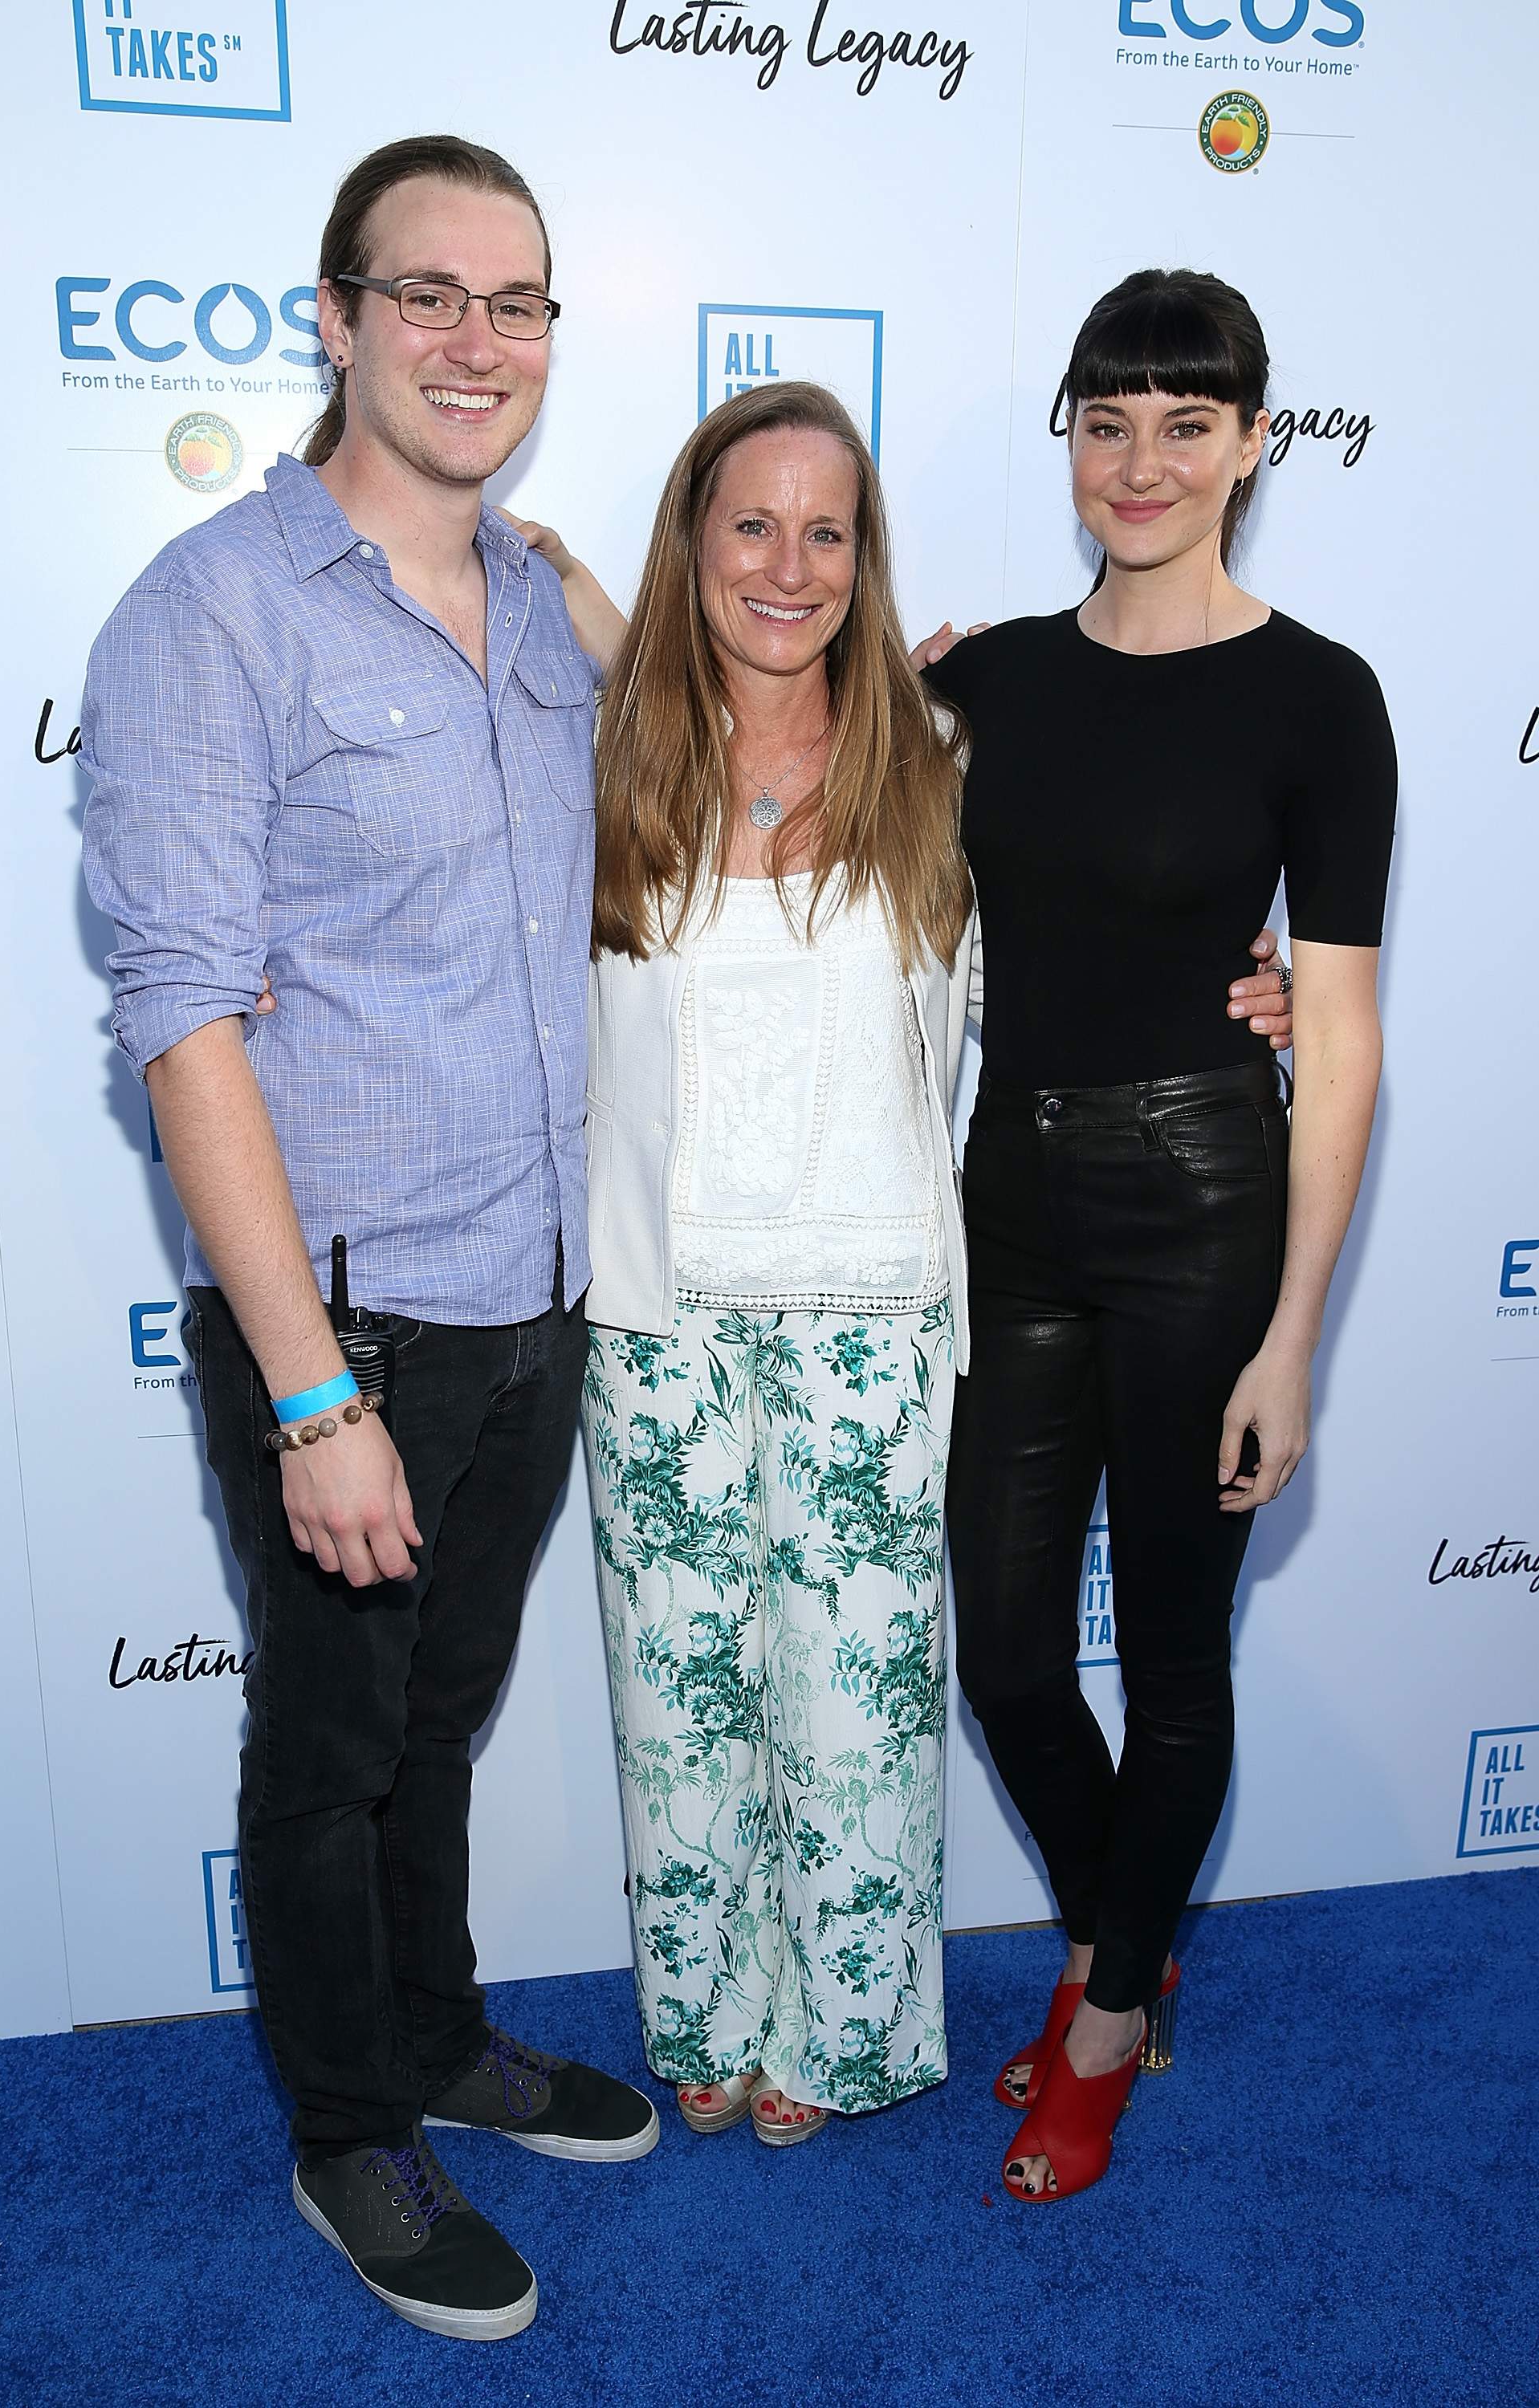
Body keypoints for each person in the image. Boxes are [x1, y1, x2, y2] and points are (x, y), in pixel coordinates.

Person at [525, 379, 1293, 2146]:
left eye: (827, 529)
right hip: (657, 1306)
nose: (787, 564)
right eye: (750, 523)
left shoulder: (948, 754)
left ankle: (846, 2031)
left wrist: (1258, 985)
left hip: (876, 1305)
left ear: (864, 562)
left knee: (860, 1713)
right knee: (680, 1703)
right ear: (691, 544)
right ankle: (705, 2011)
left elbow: (1122, 892)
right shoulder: (596, 755)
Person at [80, 135, 655, 2345]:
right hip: (354, 1328)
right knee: (327, 1760)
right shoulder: (209, 614)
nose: (473, 341)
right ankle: (349, 2133)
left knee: (446, 1722)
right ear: (333, 314)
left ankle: (435, 2035)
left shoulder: (540, 603)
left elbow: (757, 776)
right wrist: (310, 1388)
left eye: (515, 305)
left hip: (537, 1301)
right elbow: (183, 1026)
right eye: (428, 295)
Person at [924, 268, 1395, 2203]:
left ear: (1251, 443)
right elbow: (748, 745)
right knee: (1013, 1659)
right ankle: (1139, 1930)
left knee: (1177, 1658)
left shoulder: (1317, 696)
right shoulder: (984, 680)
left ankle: (1106, 2014)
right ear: (1068, 440)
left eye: (1184, 422)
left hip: (1205, 1200)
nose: (1141, 460)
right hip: (1005, 1203)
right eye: (1106, 419)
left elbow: (1346, 1039)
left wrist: (1296, 1338)